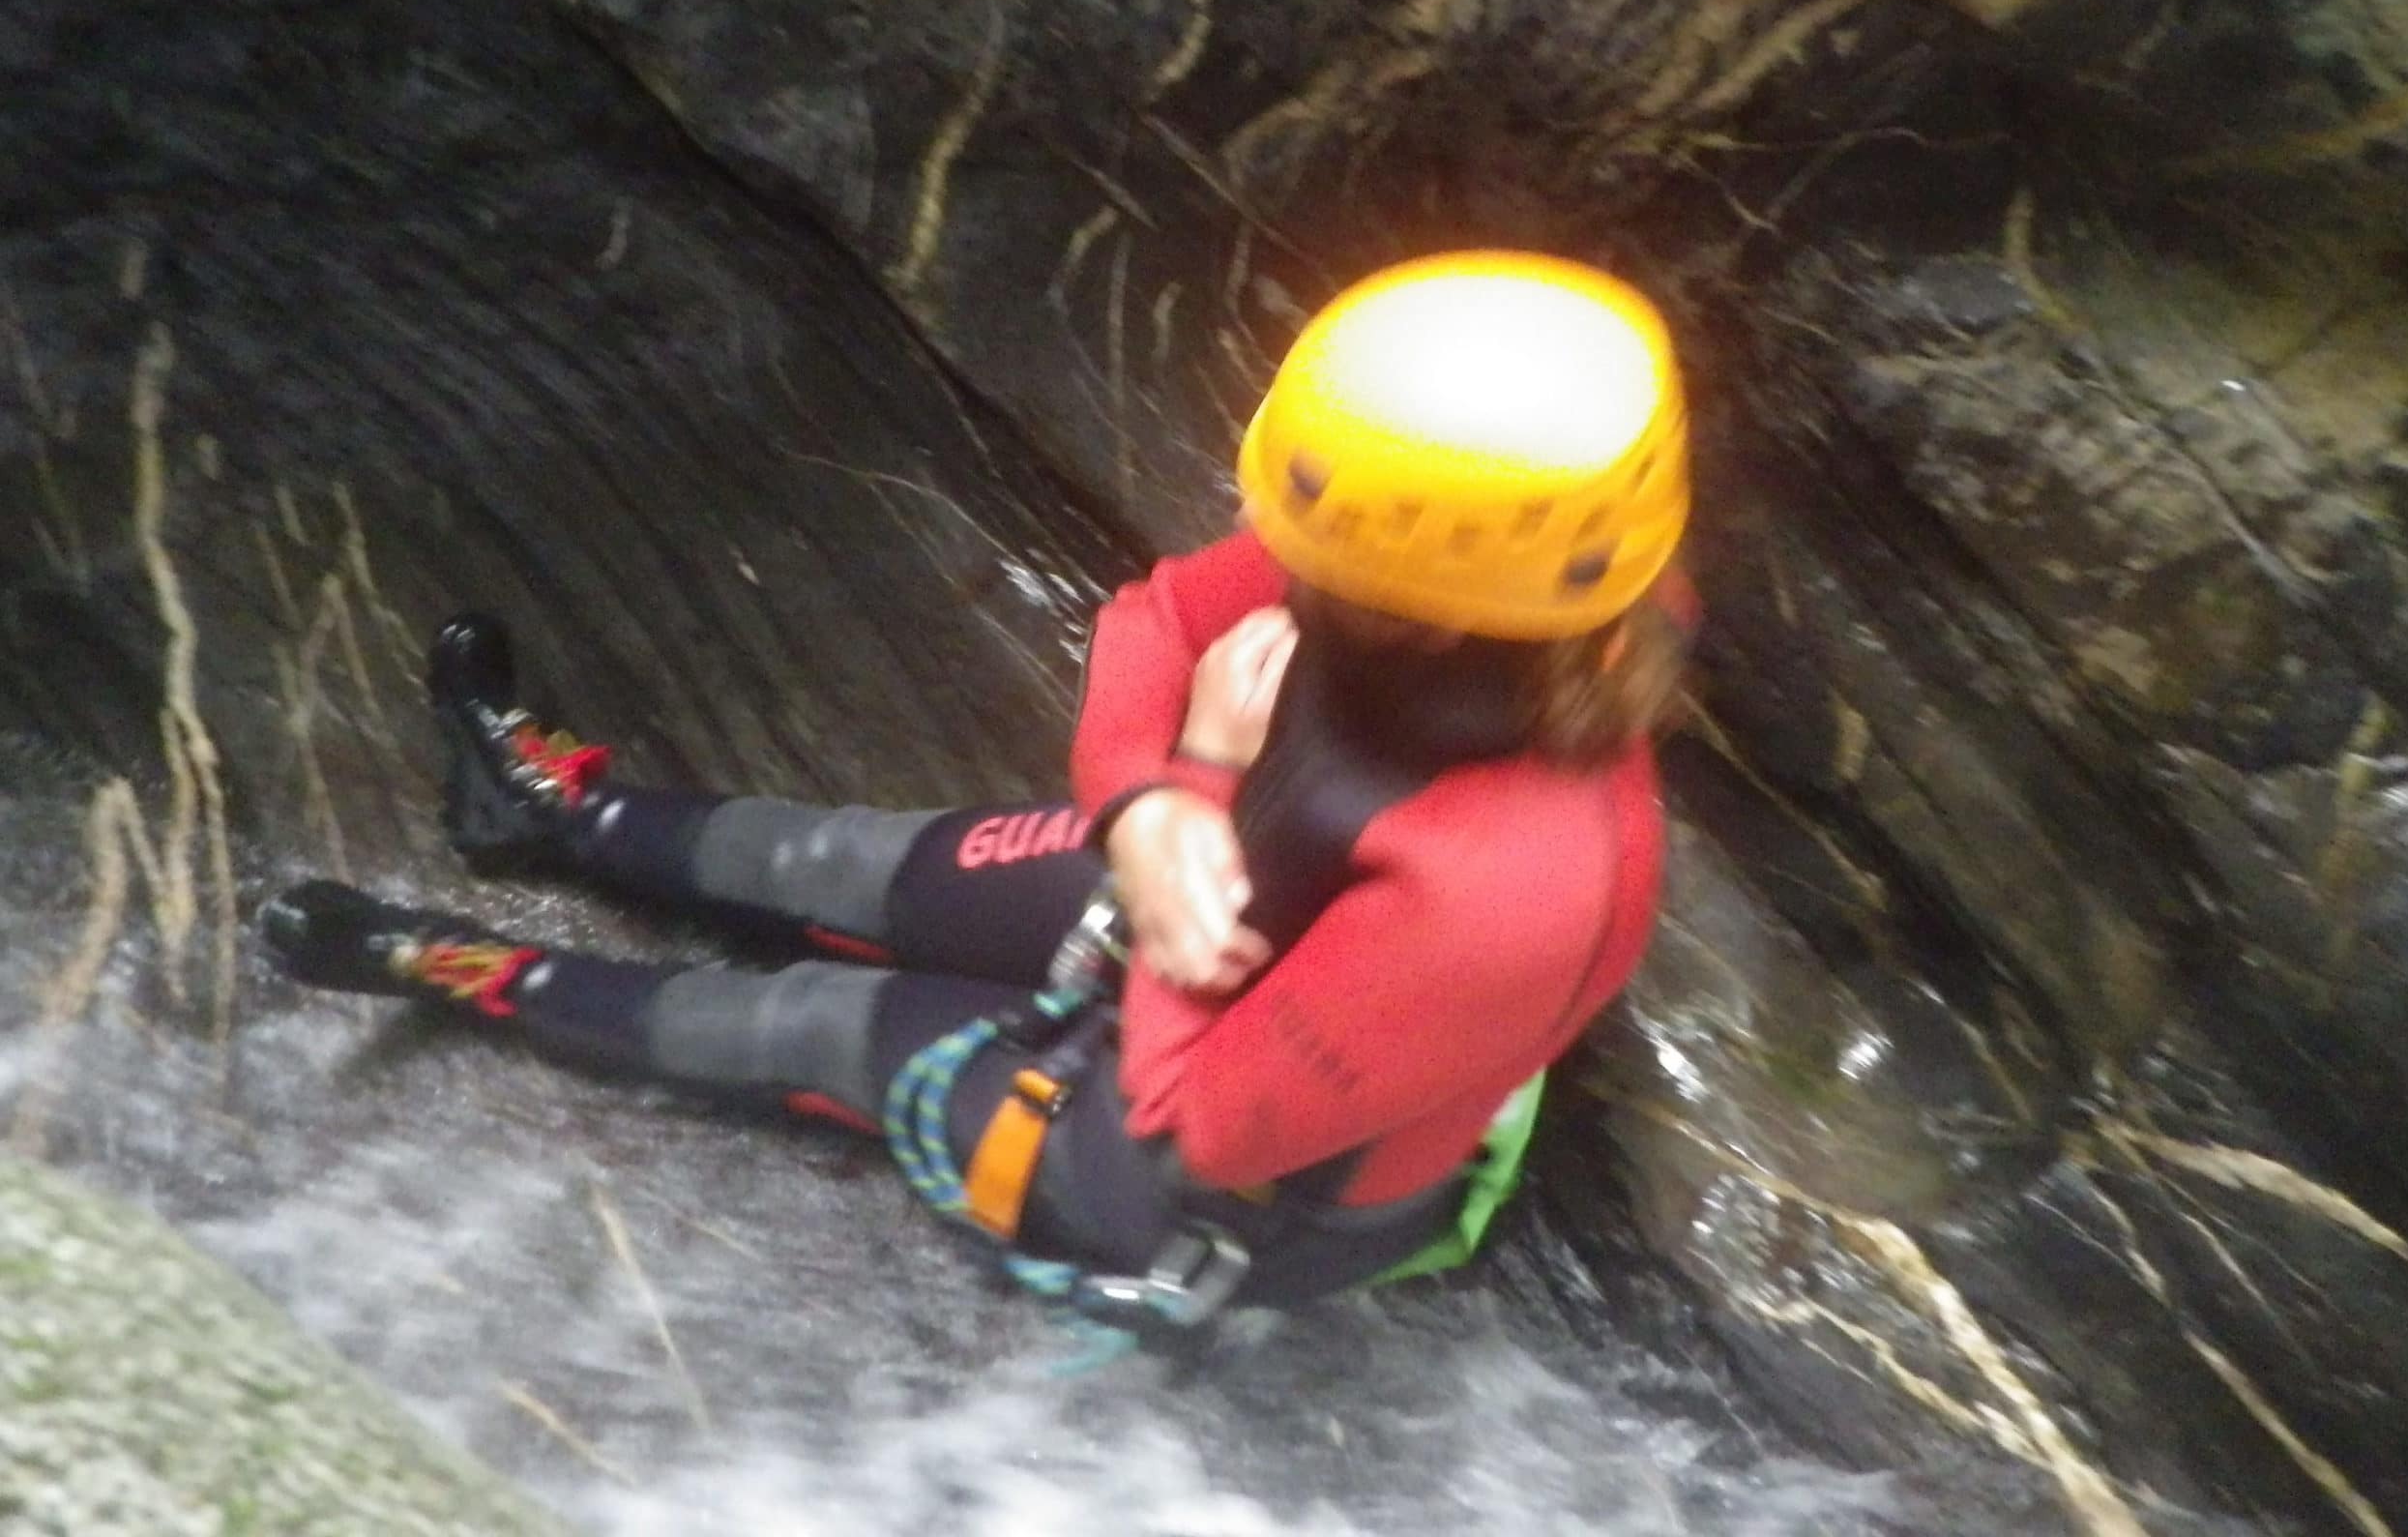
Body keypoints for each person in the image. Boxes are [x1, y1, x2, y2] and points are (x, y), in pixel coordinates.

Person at [261, 250, 1695, 1319]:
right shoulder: (1468, 563)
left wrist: (1197, 792)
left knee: (818, 1020)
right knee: (852, 865)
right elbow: (1156, 623)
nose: (1262, 532)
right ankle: (548, 815)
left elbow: (1194, 1120)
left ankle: (465, 969)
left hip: (1201, 1175)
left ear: (1432, 604)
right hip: (1210, 884)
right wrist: (1147, 814)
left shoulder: (1513, 888)